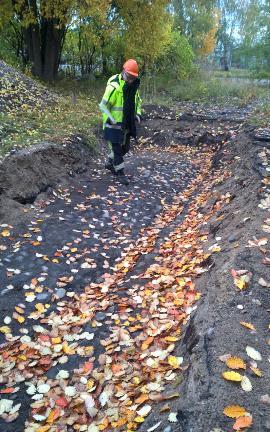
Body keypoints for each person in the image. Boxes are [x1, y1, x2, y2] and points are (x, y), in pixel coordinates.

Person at [99, 59, 142, 185]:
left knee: (125, 148)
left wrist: (138, 114)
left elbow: (138, 102)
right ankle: (120, 173)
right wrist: (110, 118)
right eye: (129, 77)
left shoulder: (133, 88)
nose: (130, 80)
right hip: (113, 126)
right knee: (117, 151)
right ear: (124, 72)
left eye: (133, 78)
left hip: (126, 124)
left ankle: (109, 163)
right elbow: (102, 105)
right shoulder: (114, 87)